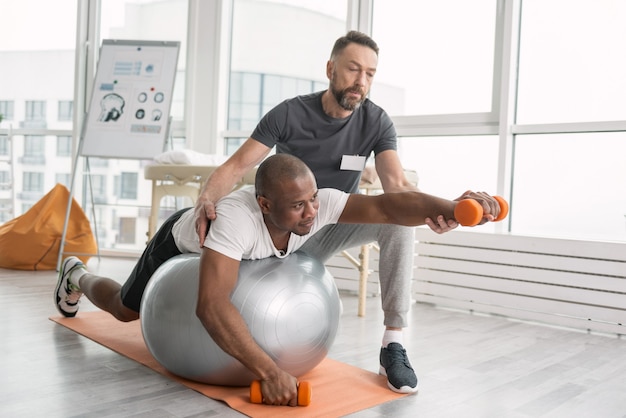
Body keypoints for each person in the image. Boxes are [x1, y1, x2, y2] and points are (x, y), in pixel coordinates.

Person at [55, 154, 502, 407]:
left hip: (247, 253)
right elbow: (210, 305)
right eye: (297, 206)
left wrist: (454, 207)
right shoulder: (235, 220)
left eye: (312, 201)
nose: (311, 213)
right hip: (180, 246)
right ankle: (78, 274)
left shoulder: (314, 204)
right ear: (265, 204)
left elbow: (388, 208)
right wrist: (268, 370)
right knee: (124, 312)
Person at [193, 30, 462, 394]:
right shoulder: (290, 112)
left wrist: (438, 211)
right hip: (280, 228)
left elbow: (396, 187)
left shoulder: (376, 122)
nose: (360, 81)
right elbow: (238, 165)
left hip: (330, 224)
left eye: (369, 74)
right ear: (331, 68)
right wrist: (205, 198)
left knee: (398, 223)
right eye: (353, 69)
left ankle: (393, 343)